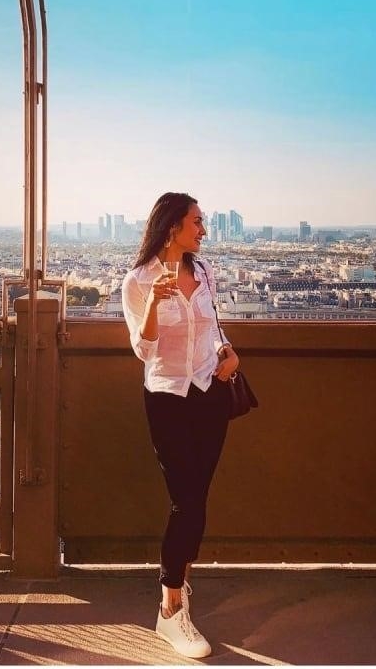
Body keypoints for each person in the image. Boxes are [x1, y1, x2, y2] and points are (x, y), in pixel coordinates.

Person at [121, 192, 241, 659]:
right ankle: (171, 609)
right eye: (197, 222)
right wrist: (153, 302)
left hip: (209, 394)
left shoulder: (205, 272)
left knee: (198, 499)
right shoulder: (138, 281)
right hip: (168, 398)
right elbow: (143, 351)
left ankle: (178, 589)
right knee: (185, 501)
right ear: (172, 226)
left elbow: (212, 328)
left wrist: (229, 358)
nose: (204, 231)